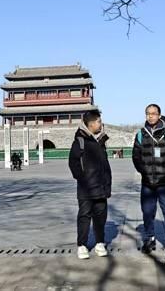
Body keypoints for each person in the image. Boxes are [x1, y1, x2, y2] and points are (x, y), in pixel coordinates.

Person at [132, 103, 165, 262]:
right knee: (147, 213)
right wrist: (144, 171)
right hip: (147, 183)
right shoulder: (141, 134)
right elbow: (136, 157)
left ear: (159, 115)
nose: (150, 116)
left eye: (153, 113)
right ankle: (150, 239)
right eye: (148, 113)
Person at [68, 109, 112, 260]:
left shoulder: (101, 141)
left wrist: (107, 183)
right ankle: (82, 245)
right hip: (86, 188)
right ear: (91, 123)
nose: (101, 124)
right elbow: (73, 163)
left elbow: (105, 165)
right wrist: (82, 179)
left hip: (101, 187)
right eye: (99, 121)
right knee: (84, 216)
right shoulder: (79, 141)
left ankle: (100, 243)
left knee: (101, 216)